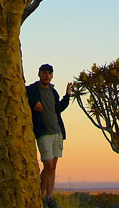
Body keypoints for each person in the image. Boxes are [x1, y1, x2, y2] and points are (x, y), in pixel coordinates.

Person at [26, 64, 72, 208]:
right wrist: (34, 103)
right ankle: (39, 195)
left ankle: (49, 197)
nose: (47, 75)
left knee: (53, 167)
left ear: (52, 75)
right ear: (39, 74)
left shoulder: (53, 91)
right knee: (48, 165)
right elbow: (23, 96)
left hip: (57, 132)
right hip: (43, 132)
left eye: (49, 73)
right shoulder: (32, 89)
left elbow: (58, 109)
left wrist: (67, 95)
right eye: (44, 73)